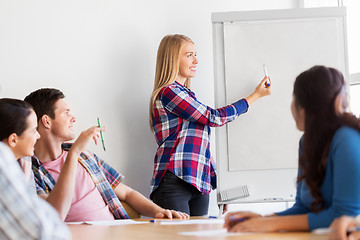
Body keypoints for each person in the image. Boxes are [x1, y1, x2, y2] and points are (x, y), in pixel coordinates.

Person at [224, 65, 360, 232]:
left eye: (294, 100)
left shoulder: (347, 139)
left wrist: (271, 224)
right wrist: (265, 219)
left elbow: (345, 216)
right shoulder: (306, 142)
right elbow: (303, 208)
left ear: (304, 108)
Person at [149, 34, 271, 216]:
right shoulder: (169, 93)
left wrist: (221, 188)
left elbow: (203, 149)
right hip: (174, 182)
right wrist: (254, 96)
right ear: (173, 58)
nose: (196, 60)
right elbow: (212, 117)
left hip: (199, 184)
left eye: (195, 54)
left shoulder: (187, 95)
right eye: (189, 55)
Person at [24, 88, 188, 222]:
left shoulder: (85, 157)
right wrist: (74, 152)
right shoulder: (30, 172)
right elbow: (51, 216)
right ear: (46, 121)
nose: (73, 118)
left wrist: (160, 212)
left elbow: (128, 194)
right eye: (66, 113)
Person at [0, 98, 70, 240]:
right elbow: (41, 230)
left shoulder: (24, 164)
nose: (38, 136)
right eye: (34, 131)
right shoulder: (3, 164)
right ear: (13, 140)